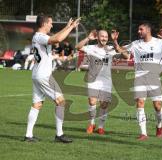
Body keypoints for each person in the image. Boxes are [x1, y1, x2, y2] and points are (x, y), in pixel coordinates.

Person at [24, 13, 80, 143]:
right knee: (61, 102)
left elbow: (56, 37)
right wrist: (70, 28)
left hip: (37, 75)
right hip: (44, 76)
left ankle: (28, 135)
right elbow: (58, 39)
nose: (52, 25)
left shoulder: (38, 36)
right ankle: (59, 135)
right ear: (44, 24)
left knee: (37, 104)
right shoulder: (40, 37)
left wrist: (68, 26)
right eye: (50, 22)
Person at [114, 22, 162, 140]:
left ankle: (159, 126)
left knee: (157, 106)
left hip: (154, 78)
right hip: (139, 77)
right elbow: (120, 50)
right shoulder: (136, 44)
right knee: (140, 103)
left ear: (148, 30)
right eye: (138, 29)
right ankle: (143, 133)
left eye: (140, 29)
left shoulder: (159, 43)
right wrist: (116, 41)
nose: (138, 31)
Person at [75, 29, 128, 135]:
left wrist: (115, 41)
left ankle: (100, 127)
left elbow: (126, 56)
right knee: (92, 101)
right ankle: (92, 123)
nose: (104, 38)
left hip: (106, 80)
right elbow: (77, 47)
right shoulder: (91, 48)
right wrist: (87, 38)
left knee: (104, 105)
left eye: (106, 37)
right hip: (92, 79)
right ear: (97, 37)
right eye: (102, 36)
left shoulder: (110, 49)